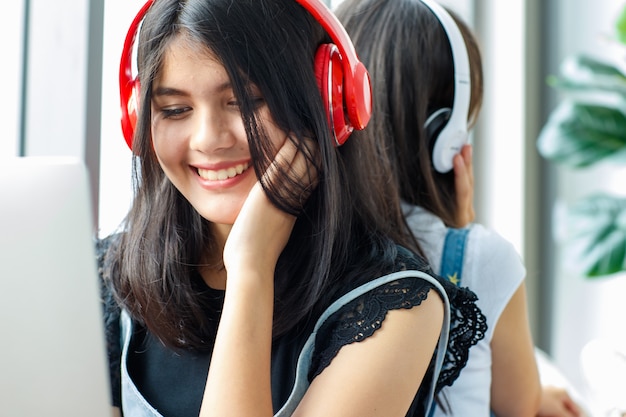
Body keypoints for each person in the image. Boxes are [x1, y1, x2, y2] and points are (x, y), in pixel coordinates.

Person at [97, 0, 488, 416]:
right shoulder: (105, 277)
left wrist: (250, 266)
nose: (208, 139)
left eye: (245, 102)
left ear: (328, 101)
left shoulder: (396, 306)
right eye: (175, 110)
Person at [335, 0, 585, 416]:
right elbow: (516, 405)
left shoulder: (309, 245)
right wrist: (460, 230)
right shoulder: (480, 259)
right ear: (446, 135)